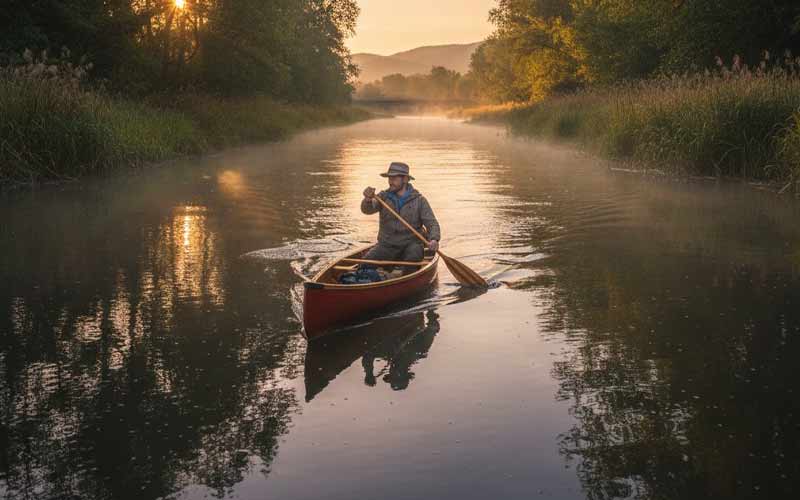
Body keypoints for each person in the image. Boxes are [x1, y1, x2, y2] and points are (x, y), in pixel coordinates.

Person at [361, 162, 440, 269]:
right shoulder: (382, 197)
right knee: (364, 265)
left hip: (411, 245)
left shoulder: (419, 200)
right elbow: (367, 210)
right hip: (387, 245)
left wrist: (434, 239)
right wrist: (368, 199)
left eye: (394, 178)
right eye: (389, 178)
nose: (390, 182)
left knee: (413, 256)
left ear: (405, 179)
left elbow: (432, 223)